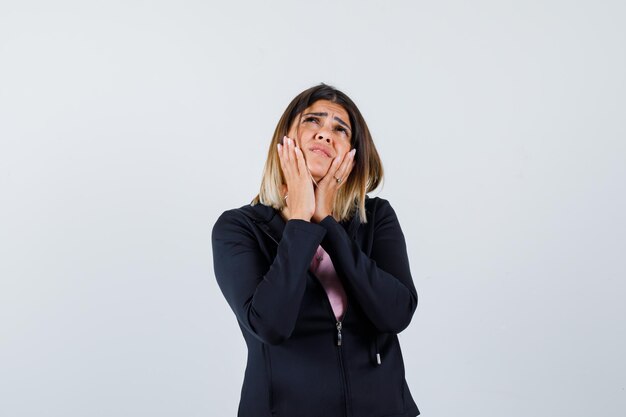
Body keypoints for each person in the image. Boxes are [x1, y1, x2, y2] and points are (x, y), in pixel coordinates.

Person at [212, 84, 419, 417]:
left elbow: (396, 314)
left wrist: (327, 223)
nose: (325, 134)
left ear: (353, 153)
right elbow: (270, 326)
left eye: (340, 129)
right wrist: (300, 222)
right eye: (313, 121)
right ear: (286, 138)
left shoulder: (377, 216)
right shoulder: (238, 228)